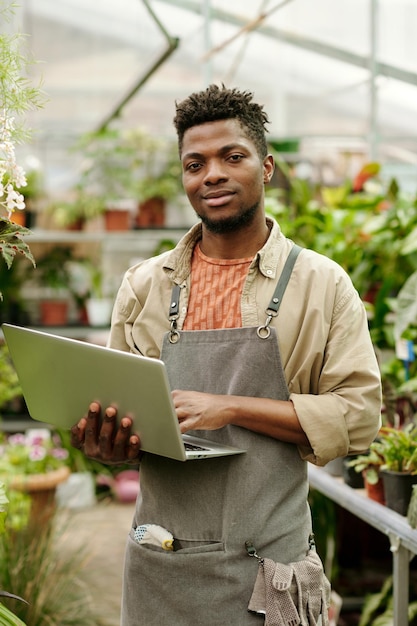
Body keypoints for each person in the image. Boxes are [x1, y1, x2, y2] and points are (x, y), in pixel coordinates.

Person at [71, 84, 381, 625]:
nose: (211, 173)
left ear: (265, 167)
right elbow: (125, 427)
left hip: (266, 573)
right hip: (160, 569)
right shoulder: (145, 287)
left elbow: (358, 417)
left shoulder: (321, 284)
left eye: (231, 157)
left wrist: (231, 407)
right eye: (195, 164)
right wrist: (107, 443)